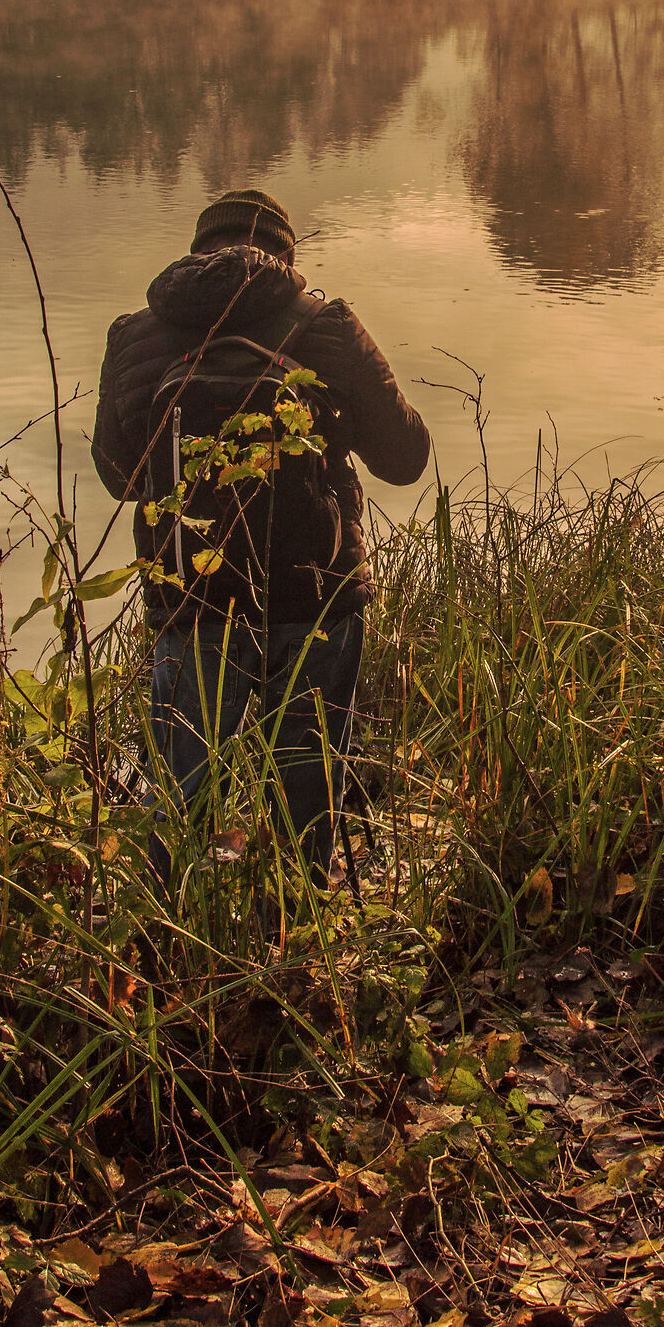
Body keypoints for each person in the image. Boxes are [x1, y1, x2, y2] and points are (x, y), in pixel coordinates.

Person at [91, 187, 430, 888]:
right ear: (284, 257)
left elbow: (120, 476)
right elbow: (405, 459)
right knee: (306, 789)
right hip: (315, 594)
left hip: (190, 600)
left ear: (196, 253)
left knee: (180, 796)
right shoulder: (325, 326)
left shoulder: (136, 336)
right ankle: (298, 932)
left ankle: (170, 937)